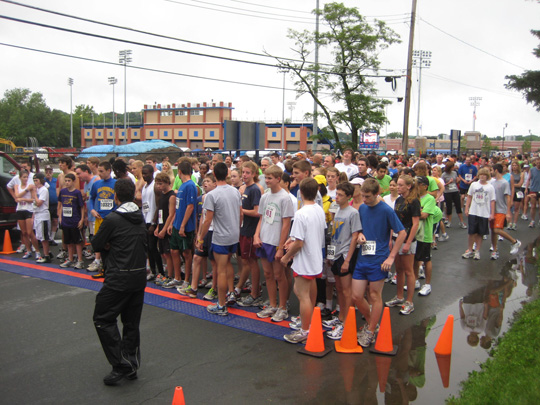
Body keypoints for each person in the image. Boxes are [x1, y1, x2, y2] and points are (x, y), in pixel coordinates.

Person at [92, 178, 147, 386]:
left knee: (103, 318)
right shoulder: (139, 216)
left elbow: (97, 243)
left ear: (115, 195)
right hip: (139, 275)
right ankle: (131, 364)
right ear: (133, 194)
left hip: (118, 276)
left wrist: (108, 245)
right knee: (131, 323)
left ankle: (120, 364)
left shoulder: (113, 219)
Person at [353, 178, 406, 347]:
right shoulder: (362, 207)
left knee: (375, 296)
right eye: (363, 196)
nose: (365, 199)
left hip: (379, 259)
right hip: (363, 258)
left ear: (377, 194)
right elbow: (360, 228)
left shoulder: (386, 210)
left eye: (367, 196)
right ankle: (373, 324)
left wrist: (391, 257)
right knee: (356, 296)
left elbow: (402, 233)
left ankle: (369, 331)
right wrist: (360, 235)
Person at [280, 178, 326, 344]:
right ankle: (309, 322)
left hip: (305, 259)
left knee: (302, 294)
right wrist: (291, 238)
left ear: (300, 192)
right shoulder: (318, 210)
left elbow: (299, 242)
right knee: (309, 290)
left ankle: (305, 330)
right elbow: (305, 234)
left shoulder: (301, 213)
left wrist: (286, 257)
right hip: (315, 257)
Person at [197, 162, 242, 316]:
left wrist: (201, 238)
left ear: (214, 176)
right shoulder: (235, 191)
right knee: (227, 264)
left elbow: (207, 220)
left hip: (221, 236)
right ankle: (229, 294)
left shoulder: (212, 195)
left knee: (221, 270)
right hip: (233, 235)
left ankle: (222, 305)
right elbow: (240, 213)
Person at [321, 182, 362, 340]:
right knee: (339, 287)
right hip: (336, 254)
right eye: (336, 194)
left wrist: (347, 260)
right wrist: (331, 255)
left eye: (340, 195)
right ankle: (341, 317)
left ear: (349, 197)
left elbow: (354, 237)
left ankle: (347, 322)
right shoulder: (337, 211)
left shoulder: (353, 213)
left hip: (345, 255)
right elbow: (333, 234)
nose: (336, 197)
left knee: (347, 291)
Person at [254, 165, 294, 321]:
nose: (267, 180)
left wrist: (280, 246)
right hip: (264, 240)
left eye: (270, 178)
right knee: (268, 274)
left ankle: (283, 306)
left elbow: (286, 224)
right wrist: (257, 235)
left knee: (279, 275)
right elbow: (262, 218)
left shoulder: (285, 198)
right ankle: (272, 304)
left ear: (278, 179)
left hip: (276, 242)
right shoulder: (265, 197)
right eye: (266, 177)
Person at [386, 175, 420, 314]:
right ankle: (399, 296)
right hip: (396, 238)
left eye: (400, 185)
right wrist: (390, 239)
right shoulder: (399, 200)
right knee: (398, 270)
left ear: (408, 186)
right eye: (397, 185)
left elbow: (415, 223)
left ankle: (409, 301)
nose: (398, 187)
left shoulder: (414, 202)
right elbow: (394, 221)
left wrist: (408, 242)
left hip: (407, 240)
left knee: (408, 270)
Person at [164, 161, 197, 291]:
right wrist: (173, 223)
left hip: (185, 227)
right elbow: (179, 208)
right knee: (174, 250)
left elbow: (190, 206)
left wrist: (183, 225)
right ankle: (177, 277)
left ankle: (187, 280)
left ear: (180, 172)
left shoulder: (190, 186)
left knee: (187, 253)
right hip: (177, 224)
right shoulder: (183, 186)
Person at [235, 161, 263, 307]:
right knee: (246, 261)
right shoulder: (244, 188)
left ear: (253, 174)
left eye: (247, 173)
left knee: (252, 262)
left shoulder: (254, 190)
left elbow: (257, 212)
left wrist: (240, 211)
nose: (244, 175)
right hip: (243, 229)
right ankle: (252, 288)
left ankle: (255, 293)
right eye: (243, 172)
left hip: (251, 230)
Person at [87, 162, 117, 275]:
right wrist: (92, 210)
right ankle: (102, 266)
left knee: (112, 244)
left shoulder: (115, 183)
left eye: (101, 171)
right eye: (98, 171)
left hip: (111, 219)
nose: (99, 173)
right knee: (100, 244)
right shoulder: (97, 184)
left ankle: (112, 268)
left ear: (109, 170)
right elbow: (91, 198)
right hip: (99, 218)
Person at [489, 164, 521, 259]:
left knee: (497, 229)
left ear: (496, 170)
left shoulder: (504, 183)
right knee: (493, 231)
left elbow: (508, 197)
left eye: (492, 170)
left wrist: (508, 212)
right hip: (493, 210)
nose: (491, 172)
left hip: (501, 209)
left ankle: (515, 242)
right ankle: (494, 251)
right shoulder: (492, 183)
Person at [462, 168, 495, 260]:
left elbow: (492, 201)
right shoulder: (474, 185)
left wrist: (492, 213)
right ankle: (470, 250)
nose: (482, 176)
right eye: (481, 175)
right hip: (473, 211)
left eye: (484, 175)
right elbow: (469, 196)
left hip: (484, 212)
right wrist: (466, 208)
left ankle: (477, 250)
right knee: (471, 232)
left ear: (487, 176)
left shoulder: (490, 187)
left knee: (480, 233)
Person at [414, 176, 439, 297]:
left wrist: (415, 212)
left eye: (417, 184)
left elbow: (424, 215)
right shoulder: (414, 198)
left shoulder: (430, 199)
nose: (415, 187)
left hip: (425, 234)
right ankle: (415, 280)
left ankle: (427, 284)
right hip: (415, 233)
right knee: (415, 258)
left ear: (424, 186)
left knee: (426, 258)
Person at [141, 165, 164, 281]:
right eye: (143, 174)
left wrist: (154, 223)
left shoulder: (155, 187)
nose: (144, 176)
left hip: (152, 221)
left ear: (151, 173)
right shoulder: (144, 186)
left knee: (153, 248)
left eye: (146, 173)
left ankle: (160, 271)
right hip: (145, 219)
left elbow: (158, 205)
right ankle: (153, 270)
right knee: (149, 248)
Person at [57, 173, 85, 269]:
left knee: (77, 241)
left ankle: (80, 260)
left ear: (73, 182)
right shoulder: (63, 191)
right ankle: (70, 259)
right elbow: (60, 204)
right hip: (65, 220)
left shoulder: (77, 193)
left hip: (75, 220)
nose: (67, 183)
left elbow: (81, 207)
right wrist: (60, 217)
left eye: (69, 181)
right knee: (68, 242)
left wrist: (81, 219)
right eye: (66, 181)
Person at [153, 173, 176, 287]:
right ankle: (168, 274)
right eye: (157, 184)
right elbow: (160, 213)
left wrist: (164, 228)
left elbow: (171, 214)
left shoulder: (171, 196)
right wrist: (158, 227)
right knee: (163, 253)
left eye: (161, 184)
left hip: (166, 228)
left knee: (168, 253)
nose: (159, 186)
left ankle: (170, 276)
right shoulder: (162, 195)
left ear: (167, 183)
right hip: (161, 224)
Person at [14, 170, 39, 259]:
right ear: (20, 178)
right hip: (20, 210)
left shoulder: (31, 186)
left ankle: (37, 251)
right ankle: (28, 250)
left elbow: (32, 199)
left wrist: (22, 199)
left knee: (30, 232)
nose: (25, 179)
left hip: (28, 210)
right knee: (23, 232)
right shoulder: (17, 186)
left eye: (26, 177)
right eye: (24, 177)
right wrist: (26, 190)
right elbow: (17, 195)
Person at [32, 173, 52, 263]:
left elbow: (39, 202)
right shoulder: (38, 190)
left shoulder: (43, 190)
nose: (35, 182)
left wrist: (34, 195)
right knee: (40, 235)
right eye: (34, 181)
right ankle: (47, 252)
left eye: (36, 180)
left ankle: (46, 255)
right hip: (37, 214)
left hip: (43, 214)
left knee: (44, 237)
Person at [44, 165, 59, 245]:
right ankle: (47, 236)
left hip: (55, 204)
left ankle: (52, 237)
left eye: (50, 172)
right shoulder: (43, 181)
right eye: (46, 172)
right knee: (47, 221)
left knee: (55, 220)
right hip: (46, 204)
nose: (48, 173)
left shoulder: (56, 181)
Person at [508, 160, 524, 230]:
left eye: (515, 165)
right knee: (510, 208)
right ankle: (510, 223)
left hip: (518, 192)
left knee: (516, 208)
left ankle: (515, 223)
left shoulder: (521, 174)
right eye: (513, 166)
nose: (514, 167)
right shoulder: (510, 174)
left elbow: (520, 184)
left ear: (518, 166)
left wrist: (512, 184)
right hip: (511, 192)